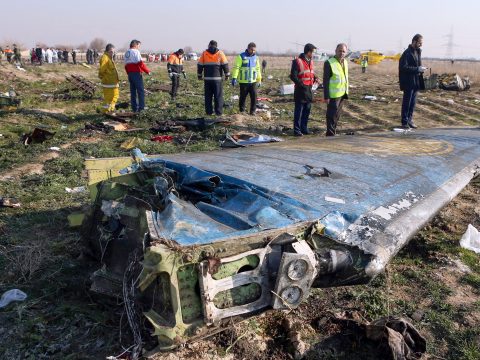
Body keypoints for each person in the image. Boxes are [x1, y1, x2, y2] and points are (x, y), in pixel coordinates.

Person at [289, 43, 318, 136]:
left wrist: (315, 77)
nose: (314, 54)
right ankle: (297, 130)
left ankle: (304, 128)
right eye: (313, 52)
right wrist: (301, 84)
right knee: (299, 111)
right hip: (300, 90)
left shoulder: (311, 61)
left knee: (307, 110)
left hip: (309, 89)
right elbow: (293, 76)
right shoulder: (297, 61)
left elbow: (310, 73)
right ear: (308, 52)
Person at [399, 34, 426, 129]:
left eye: (421, 43)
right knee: (407, 102)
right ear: (414, 41)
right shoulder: (407, 53)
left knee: (412, 103)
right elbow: (403, 67)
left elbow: (417, 66)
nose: (421, 45)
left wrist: (421, 69)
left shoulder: (418, 52)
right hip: (408, 82)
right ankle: (404, 122)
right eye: (419, 43)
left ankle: (410, 120)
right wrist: (417, 69)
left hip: (416, 82)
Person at [197, 40, 230, 116]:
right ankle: (218, 113)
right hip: (217, 79)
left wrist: (199, 75)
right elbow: (225, 65)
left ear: (209, 45)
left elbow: (200, 65)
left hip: (207, 79)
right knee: (218, 96)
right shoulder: (220, 53)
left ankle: (209, 113)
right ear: (216, 45)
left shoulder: (204, 53)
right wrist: (227, 75)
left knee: (208, 97)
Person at [323, 43, 349, 136]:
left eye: (343, 51)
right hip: (333, 95)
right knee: (331, 115)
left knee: (337, 116)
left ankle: (333, 131)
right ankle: (330, 134)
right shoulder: (329, 63)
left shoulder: (345, 62)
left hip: (342, 93)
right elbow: (325, 81)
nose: (341, 53)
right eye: (340, 51)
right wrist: (326, 96)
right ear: (335, 51)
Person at [231, 42, 262, 115]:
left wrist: (259, 79)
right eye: (252, 50)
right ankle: (242, 111)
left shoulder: (256, 57)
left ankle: (253, 111)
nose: (253, 51)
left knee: (254, 97)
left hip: (253, 81)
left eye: (254, 50)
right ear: (248, 49)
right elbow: (237, 68)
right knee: (243, 97)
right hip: (243, 82)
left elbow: (258, 69)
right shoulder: (241, 56)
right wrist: (234, 77)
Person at [124, 39, 151, 112]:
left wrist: (129, 73)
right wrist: (147, 71)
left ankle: (134, 108)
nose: (139, 47)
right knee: (140, 91)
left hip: (130, 74)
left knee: (133, 92)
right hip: (136, 73)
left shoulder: (126, 53)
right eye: (139, 45)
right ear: (135, 45)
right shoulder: (136, 51)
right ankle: (141, 108)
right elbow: (140, 63)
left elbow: (126, 65)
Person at [98, 43, 120, 113]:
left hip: (113, 82)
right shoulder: (105, 57)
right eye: (111, 52)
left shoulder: (109, 58)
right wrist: (102, 77)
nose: (112, 53)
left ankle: (111, 109)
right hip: (108, 83)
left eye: (113, 52)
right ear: (107, 51)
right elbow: (102, 70)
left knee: (115, 96)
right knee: (108, 98)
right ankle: (105, 111)